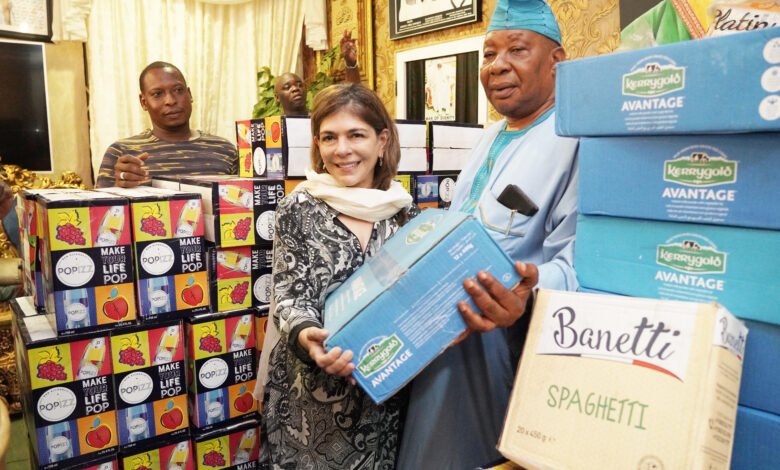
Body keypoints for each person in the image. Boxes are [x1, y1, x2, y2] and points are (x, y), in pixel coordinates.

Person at [397, 0, 579, 468]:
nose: (497, 66)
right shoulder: (490, 135)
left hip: (504, 346)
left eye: (516, 50)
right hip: (446, 333)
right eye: (489, 54)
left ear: (556, 62)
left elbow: (579, 263)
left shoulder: (577, 139)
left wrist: (528, 289)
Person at [260, 83, 418, 469]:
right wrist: (306, 335)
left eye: (356, 135)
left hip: (385, 398)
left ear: (382, 141)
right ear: (317, 144)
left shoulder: (403, 212)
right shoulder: (299, 206)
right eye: (329, 137)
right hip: (310, 404)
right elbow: (287, 293)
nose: (342, 150)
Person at [94, 61, 237, 188]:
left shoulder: (225, 150)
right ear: (144, 102)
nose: (170, 100)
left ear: (190, 95)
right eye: (157, 94)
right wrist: (118, 187)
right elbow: (100, 214)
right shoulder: (122, 152)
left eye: (177, 90)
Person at [274, 30, 362, 116]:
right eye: (287, 87)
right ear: (277, 98)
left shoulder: (320, 120)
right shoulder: (273, 127)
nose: (295, 89)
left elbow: (354, 98)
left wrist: (350, 64)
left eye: (299, 85)